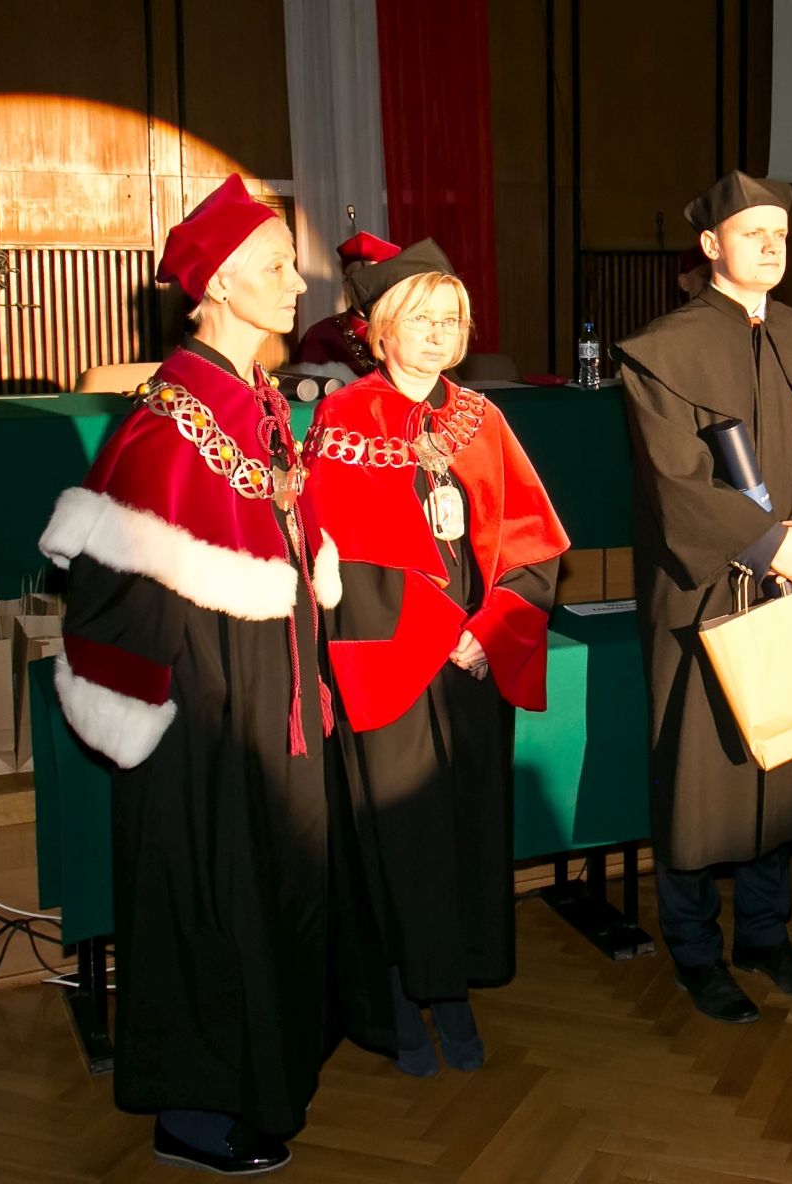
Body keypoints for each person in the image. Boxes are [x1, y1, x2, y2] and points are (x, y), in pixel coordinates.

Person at [39, 174, 388, 1175]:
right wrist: (179, 712)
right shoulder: (168, 419)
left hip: (273, 694)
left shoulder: (258, 402)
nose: (297, 281)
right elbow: (111, 590)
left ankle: (262, 1075)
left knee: (272, 886)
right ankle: (194, 1113)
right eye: (275, 265)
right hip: (205, 711)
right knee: (208, 891)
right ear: (219, 285)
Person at [614, 172, 792, 1024]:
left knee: (784, 759)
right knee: (702, 778)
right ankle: (695, 951)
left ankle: (765, 935)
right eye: (751, 231)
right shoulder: (661, 350)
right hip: (703, 589)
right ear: (710, 244)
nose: (770, 246)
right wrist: (768, 542)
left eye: (780, 233)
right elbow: (674, 481)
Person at [303, 239, 568, 1076]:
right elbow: (334, 562)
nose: (438, 333)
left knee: (465, 827)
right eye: (420, 318)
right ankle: (393, 993)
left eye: (451, 319)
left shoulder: (481, 419)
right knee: (397, 834)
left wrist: (490, 631)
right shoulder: (343, 422)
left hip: (470, 661)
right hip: (387, 664)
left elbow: (532, 545)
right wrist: (425, 632)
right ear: (380, 330)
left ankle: (450, 987)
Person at [295, 230, 400, 374]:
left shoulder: (408, 328)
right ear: (345, 285)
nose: (363, 284)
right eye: (355, 276)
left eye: (372, 275)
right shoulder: (321, 335)